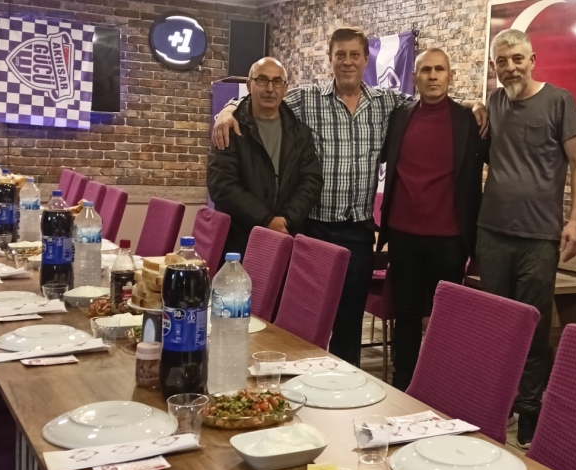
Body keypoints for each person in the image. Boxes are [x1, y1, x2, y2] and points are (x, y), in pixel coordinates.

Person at [214, 27, 487, 367]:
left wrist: (472, 103)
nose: (347, 62)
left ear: (365, 59)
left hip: (358, 231)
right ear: (330, 59)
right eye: (340, 55)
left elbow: (432, 100)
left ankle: (345, 382)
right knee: (304, 317)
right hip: (313, 228)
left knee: (349, 321)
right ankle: (300, 378)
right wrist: (227, 109)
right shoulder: (306, 99)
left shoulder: (387, 103)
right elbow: (265, 96)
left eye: (354, 55)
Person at [478, 28, 576, 447]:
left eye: (517, 59)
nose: (510, 68)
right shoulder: (493, 102)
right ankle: (497, 403)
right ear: (494, 66)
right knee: (496, 325)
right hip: (491, 232)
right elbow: (477, 119)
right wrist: (475, 106)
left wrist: (575, 221)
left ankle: (529, 411)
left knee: (534, 326)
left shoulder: (560, 101)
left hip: (540, 236)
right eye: (502, 62)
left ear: (532, 60)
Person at [377, 48, 487, 391]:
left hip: (450, 238)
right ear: (414, 78)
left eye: (440, 69)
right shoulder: (399, 116)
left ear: (450, 76)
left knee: (445, 316)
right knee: (407, 314)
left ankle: (440, 384)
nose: (433, 76)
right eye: (426, 70)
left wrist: (475, 104)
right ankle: (403, 382)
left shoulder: (468, 121)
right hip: (403, 235)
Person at [207, 57, 323, 260]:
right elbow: (222, 185)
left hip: (286, 237)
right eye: (262, 80)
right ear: (249, 85)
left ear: (285, 89)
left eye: (277, 82)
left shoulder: (300, 133)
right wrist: (266, 220)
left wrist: (286, 220)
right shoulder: (229, 129)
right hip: (239, 243)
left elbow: (311, 181)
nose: (270, 88)